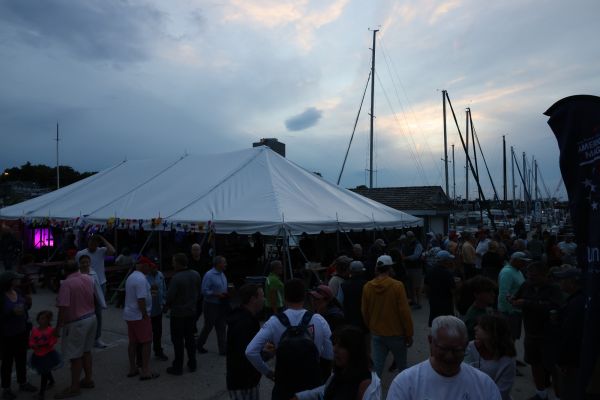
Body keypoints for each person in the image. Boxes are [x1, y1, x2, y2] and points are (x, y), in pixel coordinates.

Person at [245, 278, 333, 400]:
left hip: (284, 386)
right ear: (304, 297)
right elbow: (329, 354)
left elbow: (250, 351)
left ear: (285, 298)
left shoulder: (274, 322)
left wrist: (268, 372)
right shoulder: (319, 320)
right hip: (311, 384)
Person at [386, 316, 501, 399]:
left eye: (456, 350)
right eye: (444, 349)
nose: (449, 357)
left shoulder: (484, 384)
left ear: (466, 345)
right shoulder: (405, 383)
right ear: (430, 341)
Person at [511, 262, 563, 400]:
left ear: (544, 275)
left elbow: (556, 307)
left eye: (534, 276)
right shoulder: (526, 285)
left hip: (549, 335)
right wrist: (513, 300)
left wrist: (527, 303)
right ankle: (541, 393)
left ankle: (559, 397)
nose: (530, 278)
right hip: (531, 333)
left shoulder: (554, 288)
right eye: (529, 275)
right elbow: (517, 298)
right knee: (535, 364)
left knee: (554, 367)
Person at [293, 326, 380, 400]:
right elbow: (325, 390)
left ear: (354, 350)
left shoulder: (367, 385)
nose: (335, 349)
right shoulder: (339, 373)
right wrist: (300, 397)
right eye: (334, 344)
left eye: (341, 346)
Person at [361, 255, 413, 377]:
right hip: (396, 334)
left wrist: (372, 326)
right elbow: (404, 312)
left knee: (377, 370)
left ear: (377, 268)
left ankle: (374, 389)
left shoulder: (367, 287)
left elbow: (364, 311)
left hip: (377, 334)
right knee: (402, 369)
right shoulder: (397, 286)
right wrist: (409, 333)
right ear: (390, 268)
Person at [54, 261, 97, 399]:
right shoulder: (88, 278)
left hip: (77, 321)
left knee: (75, 355)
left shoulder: (66, 284)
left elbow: (63, 307)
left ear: (64, 271)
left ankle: (74, 387)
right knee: (86, 351)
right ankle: (88, 379)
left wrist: (58, 327)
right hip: (91, 317)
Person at [1, 271, 37, 400]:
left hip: (21, 332)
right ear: (9, 281)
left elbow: (24, 308)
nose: (18, 280)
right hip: (7, 335)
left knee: (21, 359)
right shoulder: (1, 296)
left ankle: (23, 382)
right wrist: (11, 313)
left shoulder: (18, 291)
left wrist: (28, 303)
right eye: (16, 279)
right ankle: (6, 388)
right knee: (7, 362)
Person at [163, 253, 201, 375]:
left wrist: (166, 306)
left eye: (174, 262)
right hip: (191, 313)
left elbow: (169, 297)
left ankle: (178, 366)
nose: (172, 264)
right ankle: (192, 363)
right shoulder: (196, 274)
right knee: (190, 339)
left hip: (178, 314)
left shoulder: (176, 278)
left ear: (178, 263)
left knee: (178, 341)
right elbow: (198, 292)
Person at [75, 234, 115, 349]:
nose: (93, 245)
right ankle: (84, 336)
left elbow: (112, 251)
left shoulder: (101, 251)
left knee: (98, 312)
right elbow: (76, 268)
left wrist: (102, 238)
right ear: (88, 242)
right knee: (84, 311)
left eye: (95, 243)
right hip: (85, 284)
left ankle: (97, 338)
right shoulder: (81, 253)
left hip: (100, 283)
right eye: (91, 242)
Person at [464, 314, 517, 400]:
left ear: (492, 332)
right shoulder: (471, 347)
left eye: (480, 327)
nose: (475, 328)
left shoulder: (508, 359)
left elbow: (502, 392)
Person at [226, 284, 264, 400]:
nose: (264, 299)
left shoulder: (246, 318)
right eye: (262, 296)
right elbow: (246, 354)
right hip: (243, 383)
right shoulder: (244, 323)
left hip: (246, 380)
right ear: (253, 299)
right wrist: (266, 354)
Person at [552, 265, 585, 400]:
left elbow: (570, 335)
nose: (559, 283)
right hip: (575, 359)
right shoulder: (578, 299)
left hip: (572, 361)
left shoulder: (576, 303)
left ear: (571, 282)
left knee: (569, 391)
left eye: (562, 279)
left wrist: (563, 361)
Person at [123, 259, 158, 381]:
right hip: (139, 315)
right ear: (143, 266)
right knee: (146, 342)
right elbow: (141, 299)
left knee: (133, 342)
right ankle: (145, 371)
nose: (150, 268)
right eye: (149, 266)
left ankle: (133, 368)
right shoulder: (141, 279)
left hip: (129, 314)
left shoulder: (131, 276)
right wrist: (144, 314)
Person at [197, 256, 230, 355]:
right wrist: (216, 294)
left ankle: (223, 349)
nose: (226, 264)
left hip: (221, 304)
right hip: (211, 305)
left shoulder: (222, 274)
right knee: (208, 326)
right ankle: (199, 345)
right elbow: (204, 290)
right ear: (218, 264)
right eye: (224, 262)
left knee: (222, 326)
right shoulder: (209, 275)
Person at [29, 310, 62, 400]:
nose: (41, 320)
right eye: (40, 318)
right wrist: (33, 345)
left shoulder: (51, 330)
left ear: (48, 320)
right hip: (38, 355)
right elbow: (31, 340)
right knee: (46, 370)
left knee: (44, 373)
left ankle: (41, 393)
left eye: (43, 318)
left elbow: (54, 339)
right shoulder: (35, 330)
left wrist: (49, 344)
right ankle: (51, 381)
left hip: (48, 355)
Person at [497, 252, 528, 342]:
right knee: (508, 339)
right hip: (509, 312)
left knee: (512, 337)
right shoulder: (507, 272)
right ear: (515, 261)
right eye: (523, 261)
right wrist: (509, 310)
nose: (525, 263)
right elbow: (503, 293)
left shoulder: (517, 270)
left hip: (516, 311)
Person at [144, 257, 168, 361]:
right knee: (146, 333)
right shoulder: (144, 277)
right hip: (148, 311)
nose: (155, 268)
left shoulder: (160, 275)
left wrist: (164, 302)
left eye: (156, 266)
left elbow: (164, 289)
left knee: (158, 332)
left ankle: (158, 350)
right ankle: (143, 354)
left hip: (158, 309)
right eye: (153, 266)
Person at [424, 250, 456, 326]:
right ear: (445, 261)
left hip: (434, 302)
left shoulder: (430, 271)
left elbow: (425, 287)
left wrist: (429, 296)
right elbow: (453, 290)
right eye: (449, 259)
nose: (450, 261)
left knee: (435, 322)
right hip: (446, 303)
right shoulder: (447, 273)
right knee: (447, 324)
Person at [338, 261, 368, 333]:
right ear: (362, 272)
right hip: (364, 321)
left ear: (350, 271)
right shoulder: (367, 285)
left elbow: (339, 302)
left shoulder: (343, 285)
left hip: (349, 320)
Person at [463, 276, 497, 340]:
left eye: (493, 291)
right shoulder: (473, 318)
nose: (493, 294)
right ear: (476, 294)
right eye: (488, 292)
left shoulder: (487, 309)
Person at [401, 231, 424, 309]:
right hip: (408, 267)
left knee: (417, 286)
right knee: (410, 286)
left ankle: (419, 303)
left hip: (416, 268)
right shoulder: (405, 245)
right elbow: (402, 253)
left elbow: (416, 256)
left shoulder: (418, 244)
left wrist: (405, 258)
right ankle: (413, 301)